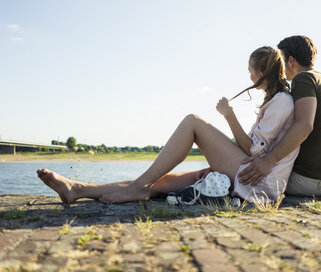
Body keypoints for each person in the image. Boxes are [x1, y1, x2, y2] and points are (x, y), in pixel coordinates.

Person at [37, 46, 299, 204]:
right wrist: (218, 162)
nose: (250, 76)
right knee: (161, 182)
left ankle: (137, 188)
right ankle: (78, 190)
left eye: (251, 71)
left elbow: (255, 151)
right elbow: (254, 149)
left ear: (261, 73)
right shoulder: (275, 102)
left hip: (257, 184)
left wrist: (228, 115)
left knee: (192, 122)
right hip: (249, 172)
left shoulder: (282, 103)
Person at [238, 35, 321, 197]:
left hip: (314, 181)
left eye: (280, 60)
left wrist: (268, 161)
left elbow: (304, 125)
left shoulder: (303, 79)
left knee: (240, 170)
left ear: (290, 61)